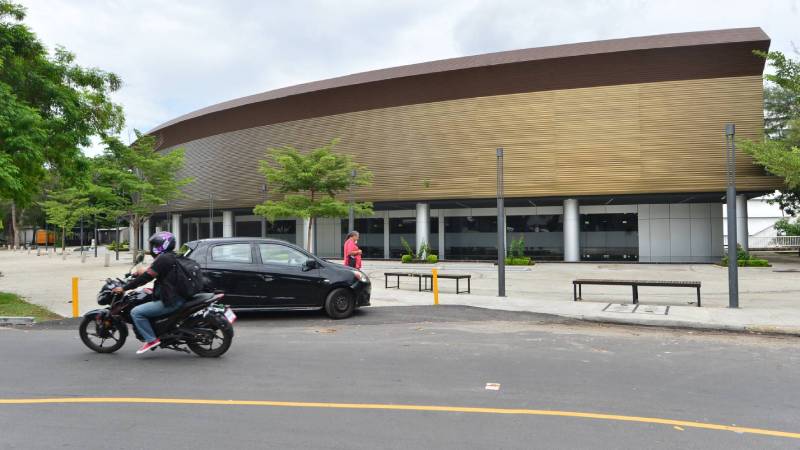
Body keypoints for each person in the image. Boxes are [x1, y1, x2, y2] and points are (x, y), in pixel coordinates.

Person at [112, 231, 185, 354]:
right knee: (148, 296)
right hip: (179, 295)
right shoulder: (171, 256)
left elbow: (146, 278)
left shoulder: (163, 259)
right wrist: (141, 271)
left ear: (163, 244)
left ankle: (151, 340)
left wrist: (124, 288)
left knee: (136, 312)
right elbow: (155, 270)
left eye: (155, 245)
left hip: (173, 300)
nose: (153, 248)